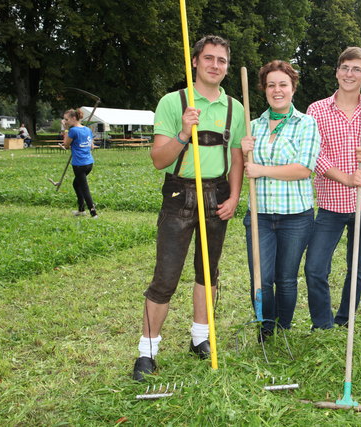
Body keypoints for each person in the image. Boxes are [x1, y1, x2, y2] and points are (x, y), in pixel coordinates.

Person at [132, 35, 246, 381]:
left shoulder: (235, 109)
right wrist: (183, 133)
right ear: (195, 61)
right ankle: (147, 351)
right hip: (180, 195)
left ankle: (200, 338)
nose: (215, 65)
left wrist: (234, 197)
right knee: (165, 277)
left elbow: (237, 157)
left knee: (207, 274)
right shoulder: (173, 102)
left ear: (226, 67)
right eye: (209, 58)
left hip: (217, 195)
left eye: (221, 60)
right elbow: (157, 159)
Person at [304, 47, 361, 330]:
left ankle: (344, 321)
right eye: (344, 67)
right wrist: (345, 178)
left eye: (356, 69)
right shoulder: (316, 110)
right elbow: (314, 154)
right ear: (337, 71)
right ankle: (322, 324)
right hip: (330, 203)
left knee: (357, 267)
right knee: (315, 267)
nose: (349, 74)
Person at [241, 60, 320, 340]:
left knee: (286, 278)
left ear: (293, 88)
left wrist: (261, 169)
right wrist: (242, 150)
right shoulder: (251, 127)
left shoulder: (306, 124)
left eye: (283, 84)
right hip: (260, 215)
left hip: (296, 217)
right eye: (271, 84)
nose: (277, 90)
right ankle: (265, 328)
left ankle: (283, 327)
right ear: (264, 89)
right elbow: (243, 167)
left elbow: (302, 169)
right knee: (261, 278)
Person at [61, 109, 98, 218]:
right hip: (89, 163)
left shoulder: (73, 131)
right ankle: (81, 209)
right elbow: (91, 146)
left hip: (79, 164)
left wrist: (65, 129)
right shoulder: (87, 129)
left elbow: (66, 145)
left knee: (84, 188)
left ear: (73, 118)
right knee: (76, 184)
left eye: (66, 119)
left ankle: (93, 213)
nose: (65, 121)